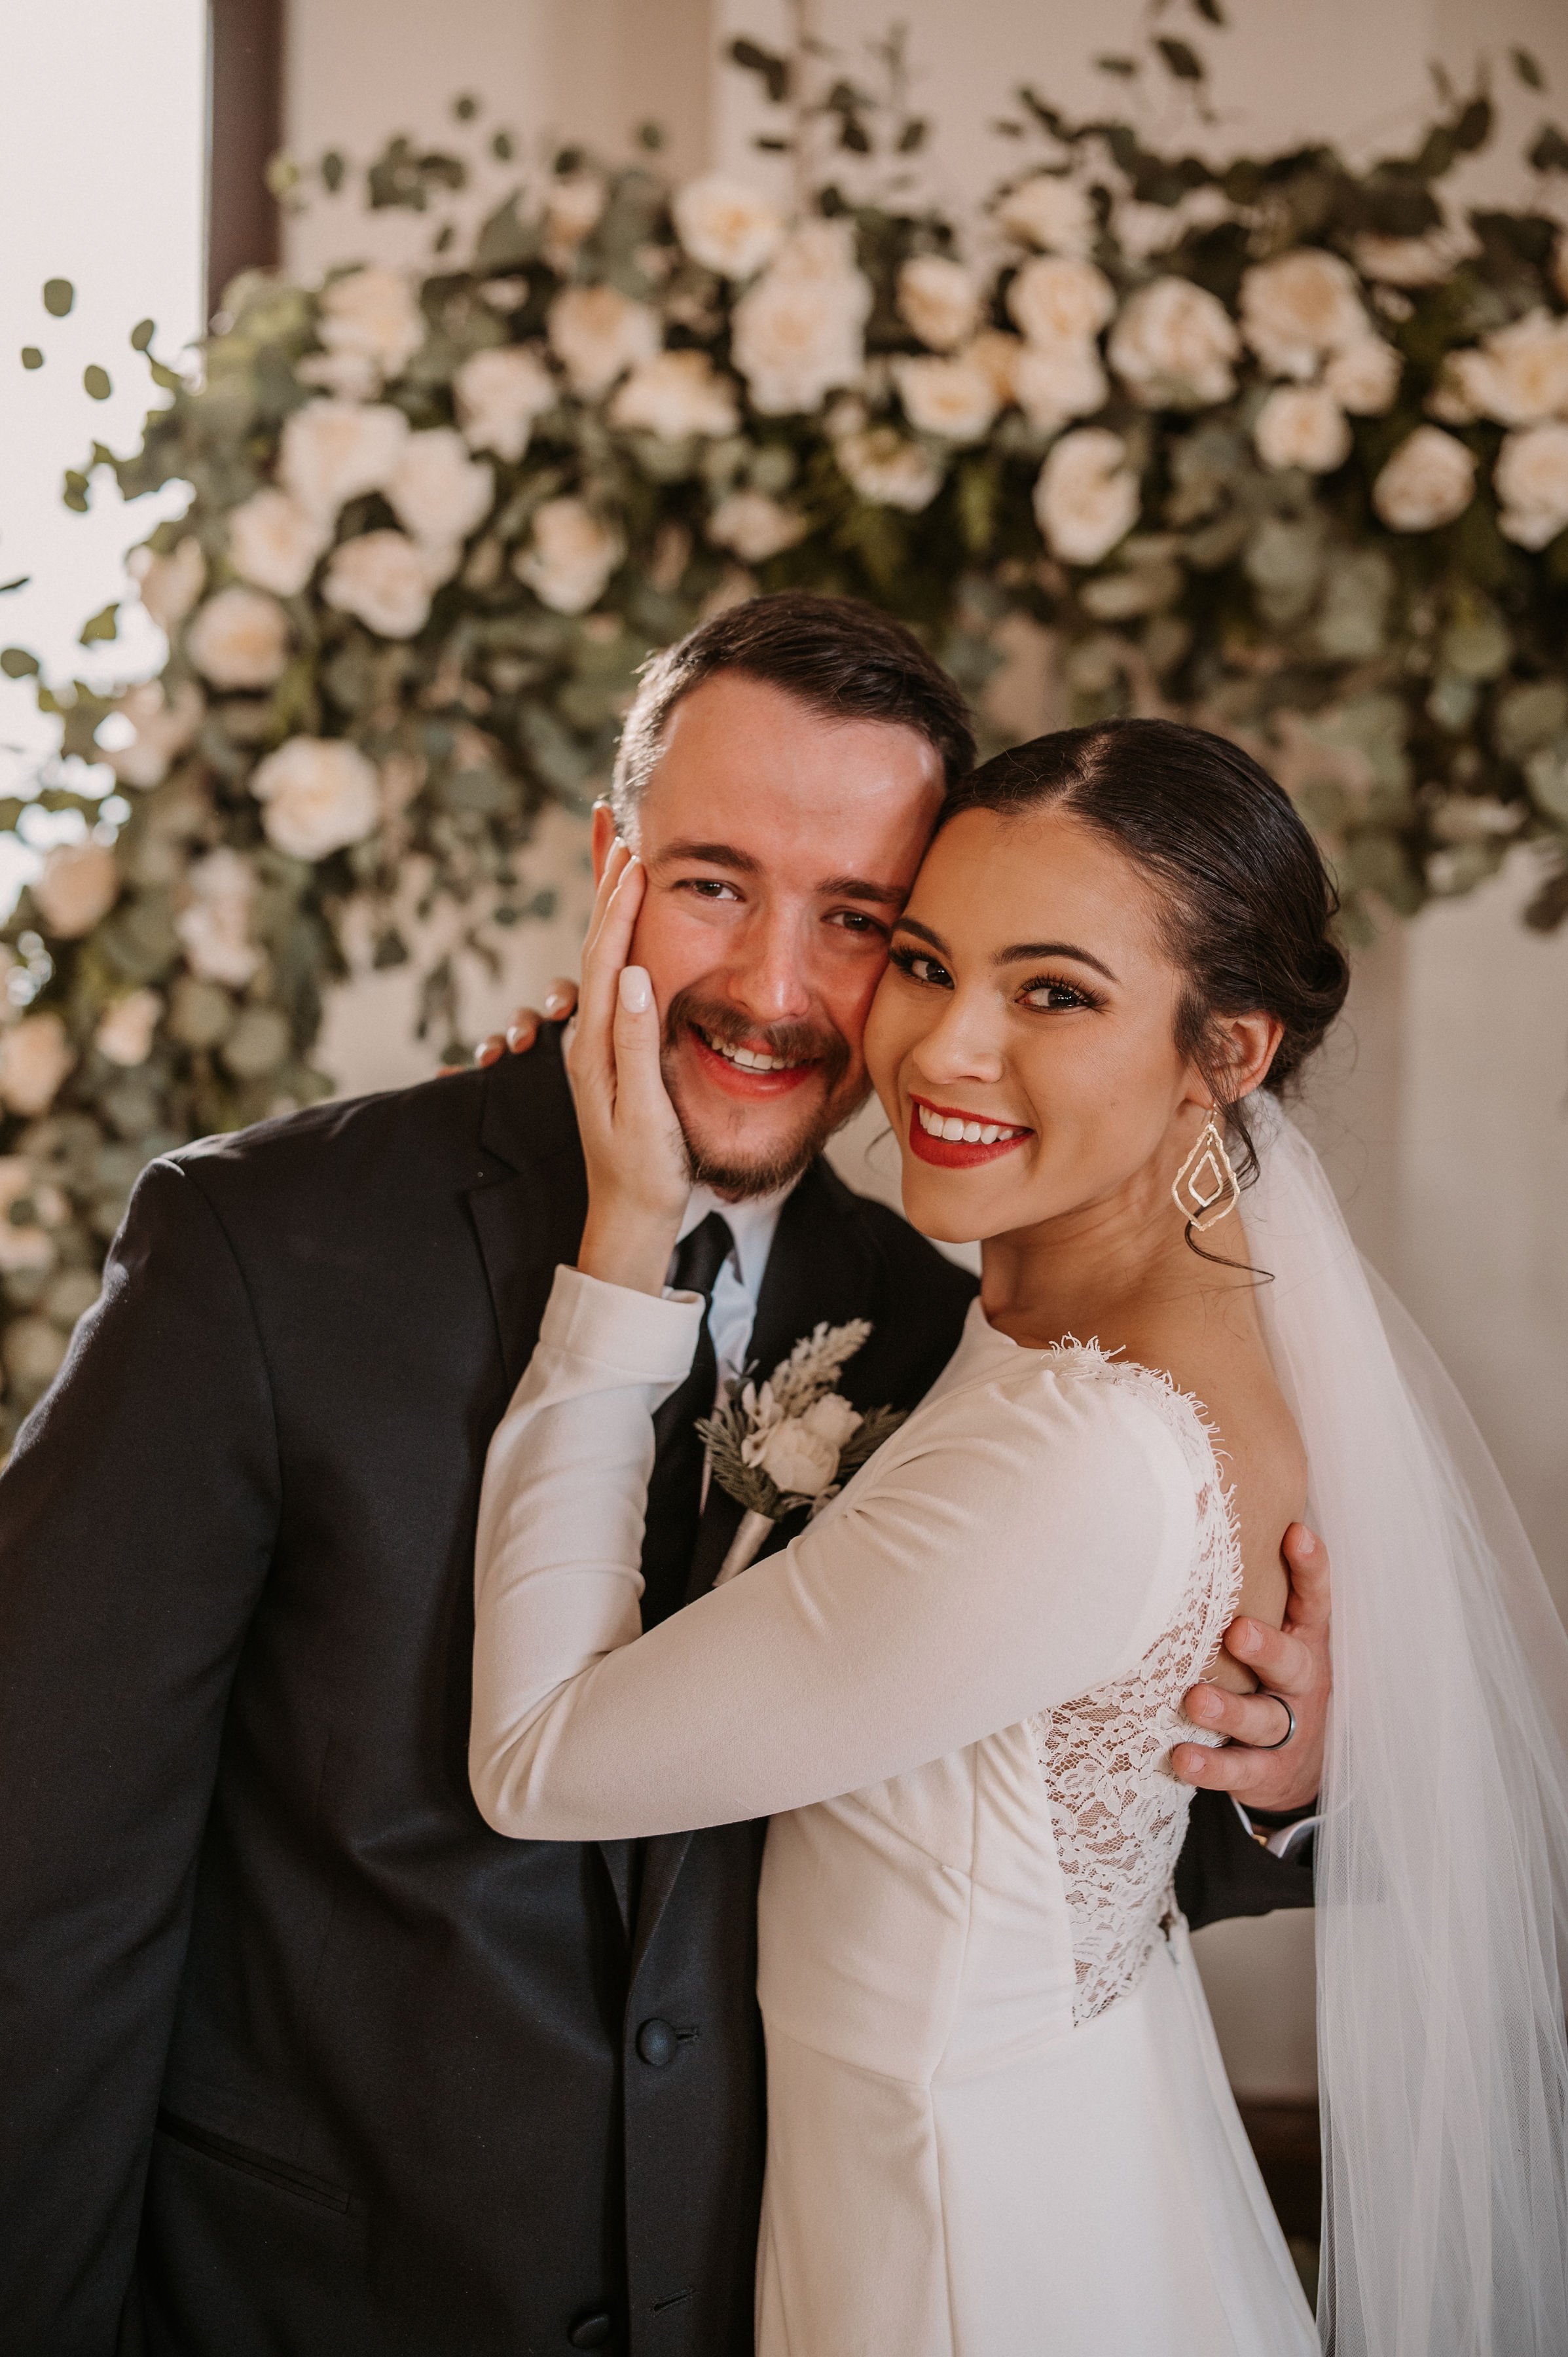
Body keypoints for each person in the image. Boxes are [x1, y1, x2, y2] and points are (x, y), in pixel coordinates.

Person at [0, 599, 1324, 2357]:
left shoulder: (961, 1336)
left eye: (858, 921)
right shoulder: (264, 1251)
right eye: (712, 882)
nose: (775, 993)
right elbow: (43, 1879)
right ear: (609, 860)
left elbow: (1053, 1855)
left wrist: (1276, 1773)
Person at [469, 716, 1568, 2353]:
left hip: (964, 2250)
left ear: (1231, 1052)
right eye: (921, 961)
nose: (945, 1051)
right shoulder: (1052, 1325)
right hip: (1012, 2161)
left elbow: (540, 1761)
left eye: (1054, 993)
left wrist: (624, 1251)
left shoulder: (1085, 1448)